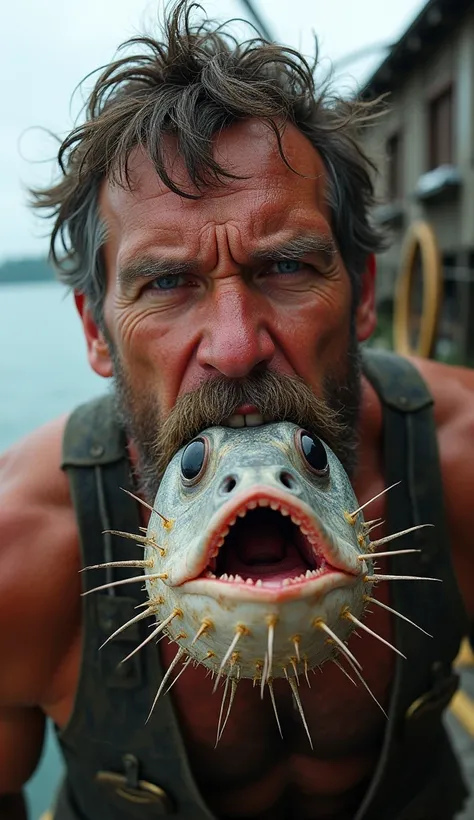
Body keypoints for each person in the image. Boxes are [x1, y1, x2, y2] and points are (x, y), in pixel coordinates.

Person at [1, 2, 473, 818]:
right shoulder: (22, 560)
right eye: (167, 282)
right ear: (97, 333)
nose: (235, 345)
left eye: (286, 265)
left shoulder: (461, 468)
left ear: (362, 295)